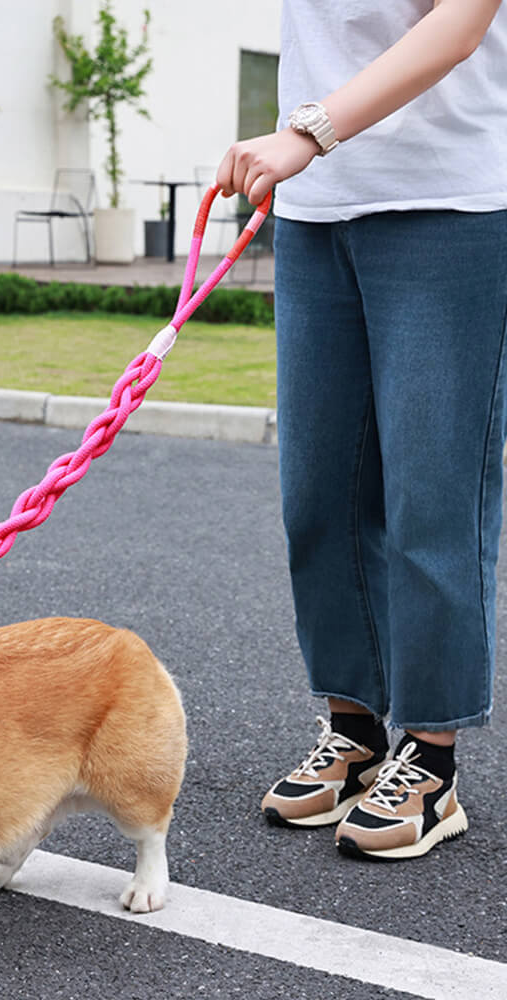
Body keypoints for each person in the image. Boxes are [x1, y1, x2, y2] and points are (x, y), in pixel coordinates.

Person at [216, 0, 507, 860]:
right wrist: (302, 155)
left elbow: (456, 26)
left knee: (431, 495)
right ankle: (354, 730)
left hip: (449, 205)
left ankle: (430, 755)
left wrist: (305, 132)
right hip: (317, 211)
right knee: (318, 495)